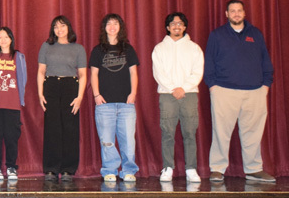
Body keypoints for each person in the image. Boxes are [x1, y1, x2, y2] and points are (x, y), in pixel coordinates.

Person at [205, 0, 275, 183]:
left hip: (255, 92)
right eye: (232, 11)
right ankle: (217, 169)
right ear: (226, 14)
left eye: (239, 11)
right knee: (221, 132)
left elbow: (265, 60)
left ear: (244, 13)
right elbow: (209, 61)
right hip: (224, 91)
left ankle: (253, 169)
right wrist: (213, 87)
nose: (236, 14)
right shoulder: (217, 35)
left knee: (253, 133)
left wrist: (265, 85)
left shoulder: (256, 34)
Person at [151, 12, 203, 183]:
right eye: (173, 24)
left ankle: (191, 168)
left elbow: (197, 72)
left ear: (185, 27)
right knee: (168, 133)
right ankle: (167, 168)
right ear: (167, 27)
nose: (176, 26)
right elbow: (158, 73)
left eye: (180, 23)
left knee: (189, 133)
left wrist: (184, 88)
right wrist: (173, 88)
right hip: (167, 95)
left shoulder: (194, 48)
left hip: (189, 94)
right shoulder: (159, 48)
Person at [89, 13, 139, 183]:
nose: (112, 27)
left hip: (126, 104)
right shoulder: (98, 50)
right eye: (108, 24)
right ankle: (109, 170)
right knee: (107, 140)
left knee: (128, 141)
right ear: (104, 28)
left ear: (120, 27)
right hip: (105, 104)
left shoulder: (128, 49)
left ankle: (128, 170)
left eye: (115, 24)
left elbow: (133, 72)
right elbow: (94, 74)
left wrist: (133, 94)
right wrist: (96, 94)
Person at [36, 16, 87, 182]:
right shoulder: (46, 46)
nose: (59, 30)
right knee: (52, 128)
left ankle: (68, 169)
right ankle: (51, 169)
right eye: (56, 27)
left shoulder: (78, 49)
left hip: (70, 86)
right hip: (51, 85)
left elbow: (83, 74)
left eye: (62, 26)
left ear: (69, 28)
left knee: (70, 128)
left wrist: (79, 97)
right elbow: (41, 72)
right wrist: (40, 93)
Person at [0, 26, 27, 182]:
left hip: (13, 104)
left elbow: (23, 79)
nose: (3, 40)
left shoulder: (18, 57)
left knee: (11, 137)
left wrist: (20, 99)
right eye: (0, 37)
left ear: (11, 39)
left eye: (6, 37)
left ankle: (11, 167)